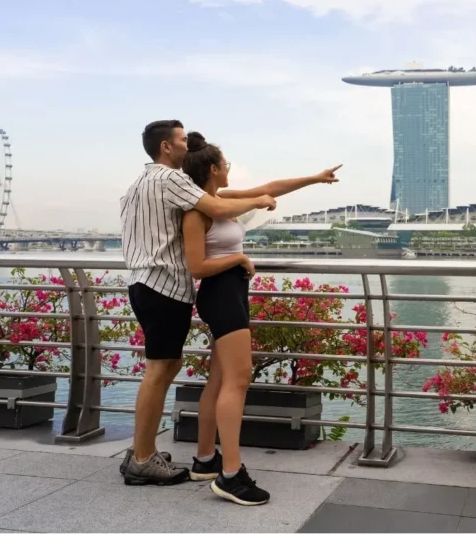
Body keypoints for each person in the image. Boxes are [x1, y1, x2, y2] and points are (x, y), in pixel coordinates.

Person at [181, 132, 339, 505]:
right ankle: (231, 475)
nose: (231, 169)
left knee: (219, 380)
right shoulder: (196, 212)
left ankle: (205, 460)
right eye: (227, 164)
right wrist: (238, 259)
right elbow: (197, 267)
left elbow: (269, 188)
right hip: (220, 295)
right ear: (215, 169)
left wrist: (315, 178)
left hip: (230, 293)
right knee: (238, 381)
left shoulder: (217, 201)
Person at [119, 120, 277, 486]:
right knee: (159, 371)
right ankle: (142, 458)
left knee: (165, 366)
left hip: (143, 281)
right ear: (165, 148)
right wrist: (259, 201)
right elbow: (215, 208)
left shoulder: (136, 185)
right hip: (163, 283)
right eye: (180, 141)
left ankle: (143, 450)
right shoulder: (170, 179)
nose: (186, 146)